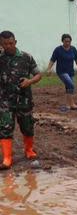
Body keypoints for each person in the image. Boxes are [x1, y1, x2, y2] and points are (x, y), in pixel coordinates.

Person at [0, 31, 42, 170]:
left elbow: (38, 75)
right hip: (5, 100)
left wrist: (29, 81)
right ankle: (7, 158)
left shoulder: (26, 57)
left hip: (24, 99)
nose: (8, 46)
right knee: (5, 128)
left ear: (15, 42)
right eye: (5, 44)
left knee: (27, 126)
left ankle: (29, 150)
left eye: (10, 43)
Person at [46, 34, 77, 110]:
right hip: (61, 72)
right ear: (62, 41)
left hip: (71, 72)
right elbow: (52, 60)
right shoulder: (58, 50)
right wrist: (49, 69)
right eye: (66, 41)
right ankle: (72, 104)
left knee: (69, 87)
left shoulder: (73, 49)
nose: (67, 43)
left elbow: (76, 59)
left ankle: (68, 105)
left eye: (69, 41)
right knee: (71, 85)